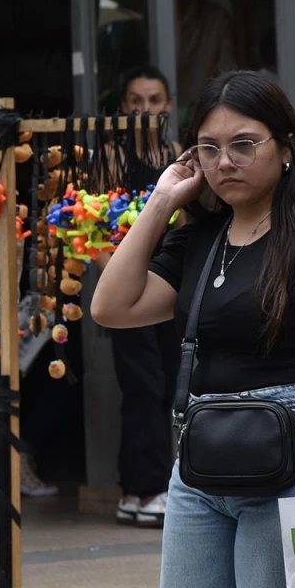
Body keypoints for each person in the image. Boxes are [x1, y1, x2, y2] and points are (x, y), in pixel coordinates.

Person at [93, 70, 295, 588]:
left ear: (286, 147)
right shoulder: (199, 239)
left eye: (244, 145)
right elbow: (111, 307)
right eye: (209, 148)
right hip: (203, 456)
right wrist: (162, 201)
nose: (225, 162)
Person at [96, 65, 181, 527]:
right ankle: (148, 489)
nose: (145, 109)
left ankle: (134, 490)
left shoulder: (176, 154)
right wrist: (117, 279)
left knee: (164, 386)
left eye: (154, 100)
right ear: (123, 107)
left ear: (168, 106)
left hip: (166, 286)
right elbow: (92, 228)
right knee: (142, 386)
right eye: (136, 101)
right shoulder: (110, 157)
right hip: (127, 290)